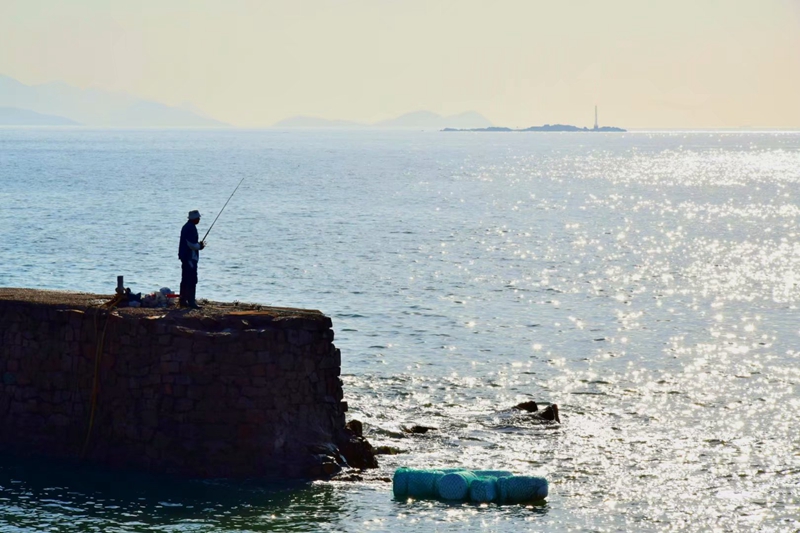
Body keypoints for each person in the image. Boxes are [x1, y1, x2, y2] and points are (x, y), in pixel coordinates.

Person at [178, 210, 206, 309]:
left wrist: (198, 245)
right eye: (198, 218)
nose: (199, 220)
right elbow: (191, 244)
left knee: (185, 279)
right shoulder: (190, 228)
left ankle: (183, 301)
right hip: (189, 258)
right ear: (194, 219)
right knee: (192, 279)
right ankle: (191, 302)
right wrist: (200, 246)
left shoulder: (187, 227)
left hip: (185, 257)